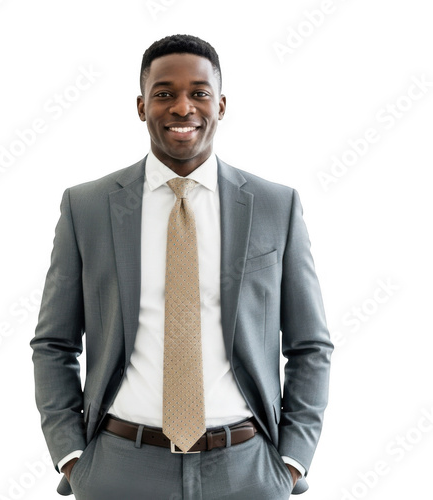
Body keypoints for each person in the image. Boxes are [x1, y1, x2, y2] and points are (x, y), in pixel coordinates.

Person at [30, 34, 333, 500]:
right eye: (164, 93)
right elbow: (54, 342)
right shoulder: (86, 207)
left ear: (222, 104)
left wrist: (291, 461)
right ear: (141, 106)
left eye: (199, 93)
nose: (182, 107)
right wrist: (72, 456)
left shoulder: (276, 206)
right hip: (120, 467)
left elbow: (310, 345)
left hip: (247, 469)